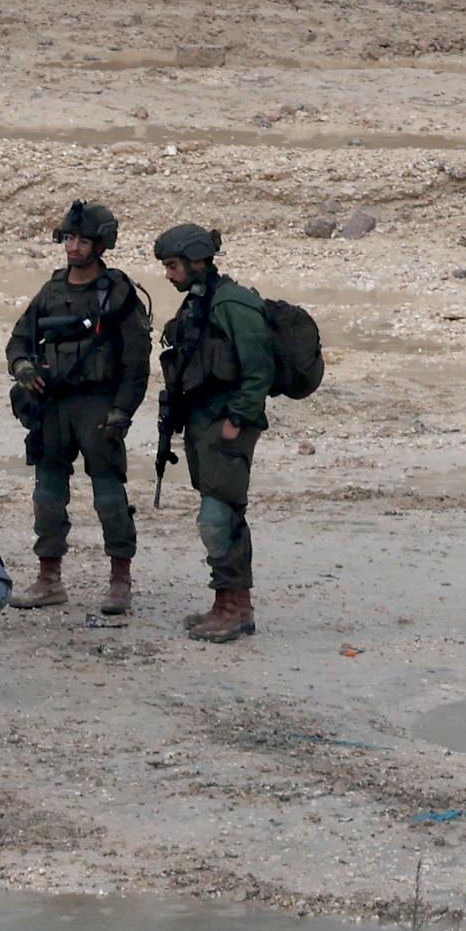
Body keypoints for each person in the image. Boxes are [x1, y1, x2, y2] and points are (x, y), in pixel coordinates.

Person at [4, 200, 152, 615]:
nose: (74, 247)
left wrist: (122, 411)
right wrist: (22, 368)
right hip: (53, 405)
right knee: (47, 494)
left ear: (100, 244)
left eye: (83, 240)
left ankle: (119, 580)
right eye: (69, 238)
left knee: (109, 496)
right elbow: (18, 339)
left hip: (98, 405)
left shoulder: (118, 295)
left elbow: (136, 362)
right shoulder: (51, 291)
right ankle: (49, 577)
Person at [154, 224, 276, 643]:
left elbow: (259, 367)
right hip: (205, 420)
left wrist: (237, 418)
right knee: (227, 513)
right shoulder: (200, 302)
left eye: (172, 266)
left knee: (216, 517)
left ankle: (227, 608)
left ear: (197, 260)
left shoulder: (233, 303)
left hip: (227, 423)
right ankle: (237, 606)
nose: (169, 275)